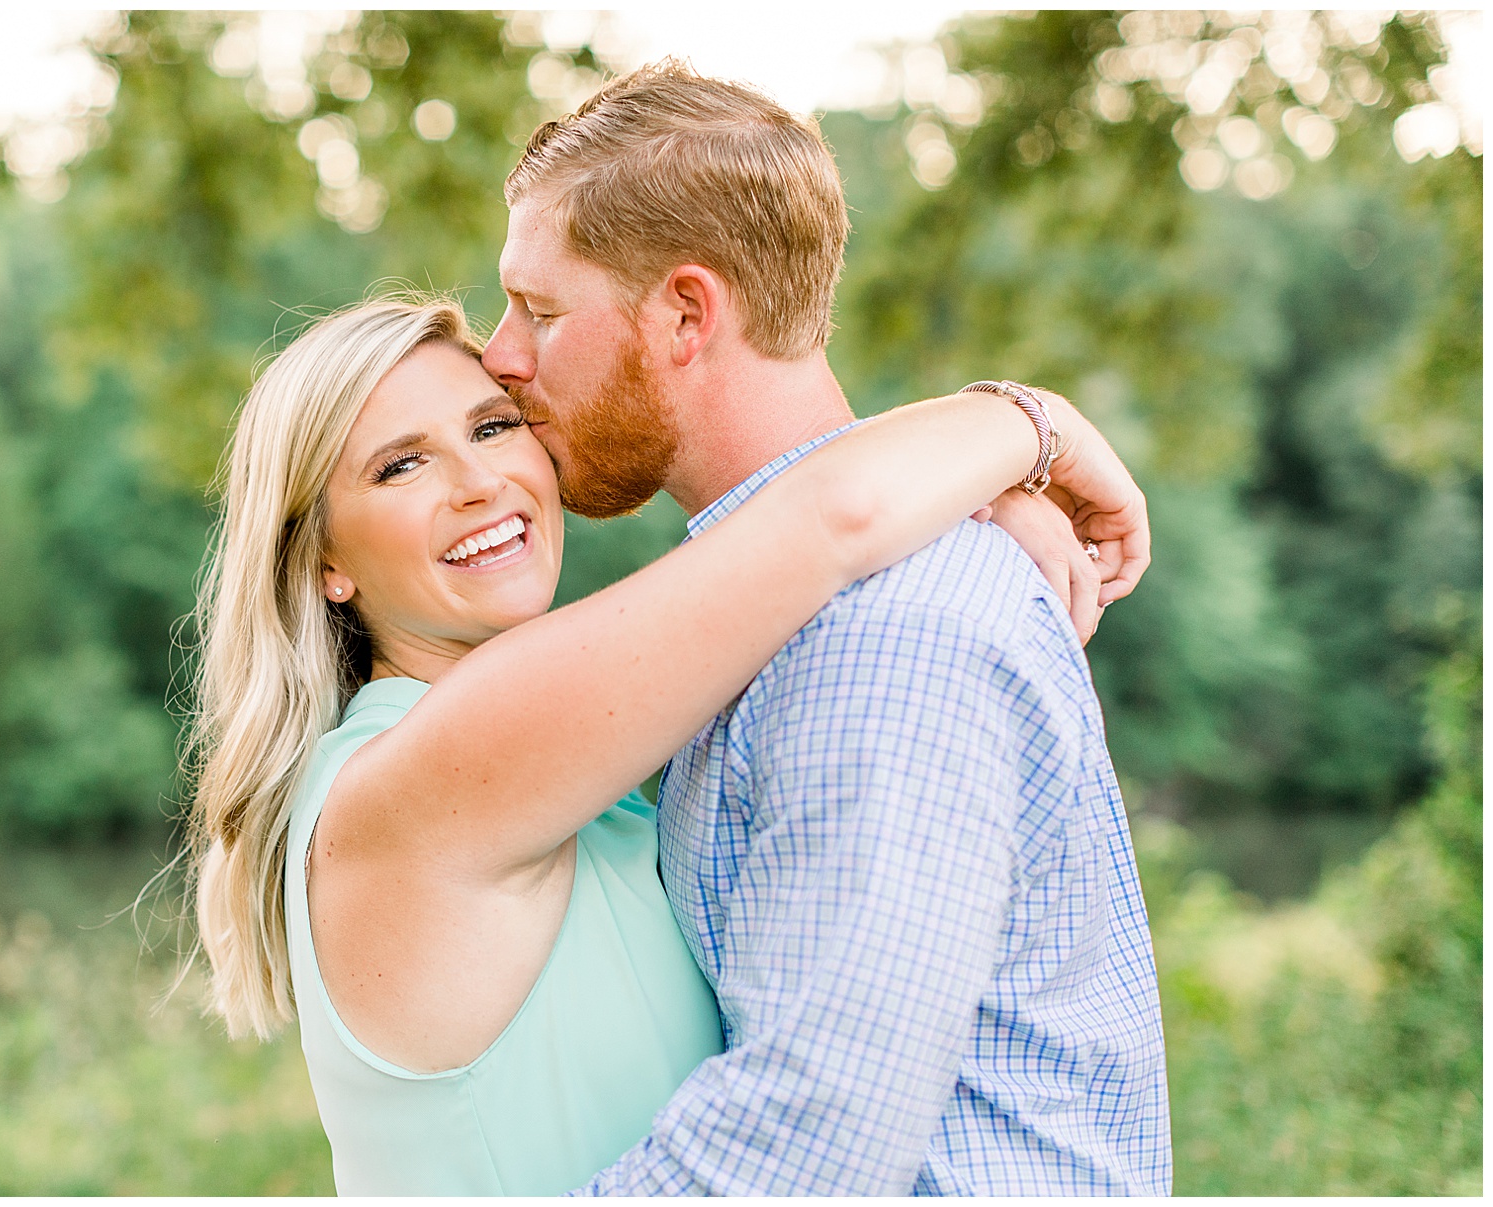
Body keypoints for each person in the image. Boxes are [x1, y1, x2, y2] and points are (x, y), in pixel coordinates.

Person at [185, 293, 1149, 1194]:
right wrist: (1031, 426)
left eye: (492, 426)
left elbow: (809, 548)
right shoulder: (420, 780)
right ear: (324, 562)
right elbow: (832, 518)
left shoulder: (582, 779)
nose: (478, 482)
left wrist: (966, 502)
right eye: (401, 465)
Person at [477, 61, 1171, 1195]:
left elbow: (809, 1140)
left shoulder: (878, 636)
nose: (503, 356)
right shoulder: (787, 597)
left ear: (686, 314)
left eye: (541, 311)